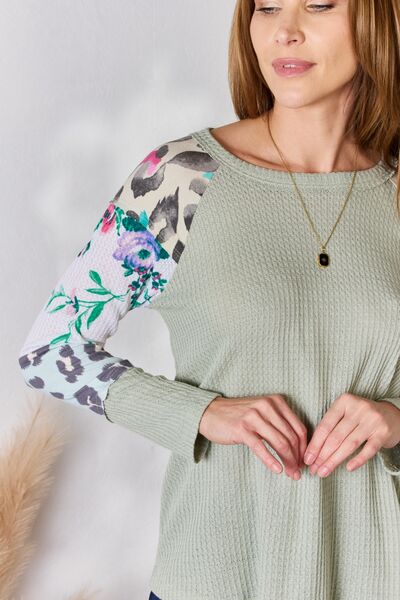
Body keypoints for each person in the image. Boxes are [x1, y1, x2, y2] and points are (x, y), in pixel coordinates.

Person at [18, 0, 400, 598]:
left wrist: (395, 418)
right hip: (216, 576)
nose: (285, 30)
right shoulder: (181, 180)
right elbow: (51, 349)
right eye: (266, 7)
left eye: (319, 4)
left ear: (377, 19)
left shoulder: (395, 187)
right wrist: (200, 413)